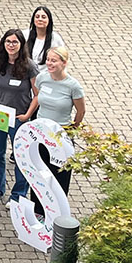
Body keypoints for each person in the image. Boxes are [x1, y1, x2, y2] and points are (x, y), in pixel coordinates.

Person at [0, 29, 39, 205]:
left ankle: (18, 194)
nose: (11, 45)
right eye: (8, 41)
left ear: (21, 45)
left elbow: (37, 94)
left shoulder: (29, 67)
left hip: (19, 117)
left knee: (19, 157)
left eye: (15, 42)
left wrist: (27, 115)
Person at [32, 44, 85, 194]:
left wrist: (71, 129)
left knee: (59, 174)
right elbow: (38, 96)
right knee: (40, 172)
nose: (49, 63)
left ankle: (58, 213)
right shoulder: (42, 78)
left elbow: (81, 111)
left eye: (54, 60)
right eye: (48, 60)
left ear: (64, 63)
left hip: (61, 134)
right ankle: (38, 209)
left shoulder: (73, 86)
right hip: (41, 132)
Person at [25, 5, 65, 74]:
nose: (40, 19)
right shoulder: (25, 35)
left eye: (43, 17)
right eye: (37, 17)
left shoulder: (56, 39)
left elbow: (62, 59)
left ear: (49, 20)